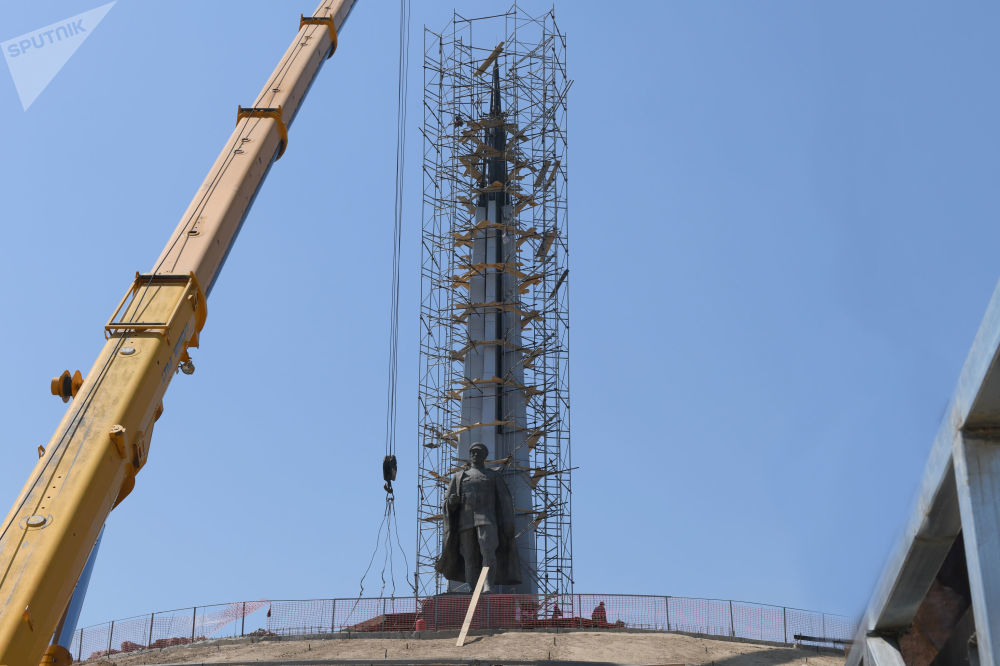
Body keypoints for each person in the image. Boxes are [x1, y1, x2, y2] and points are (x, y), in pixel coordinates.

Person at [435, 442, 522, 593]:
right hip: (465, 523)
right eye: (473, 452)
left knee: (488, 552)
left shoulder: (493, 476)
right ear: (470, 455)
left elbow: (505, 501)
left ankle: (488, 585)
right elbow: (447, 502)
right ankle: (473, 588)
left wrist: (508, 523)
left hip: (487, 520)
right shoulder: (459, 477)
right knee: (469, 557)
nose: (476, 455)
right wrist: (452, 503)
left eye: (479, 452)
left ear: (484, 456)